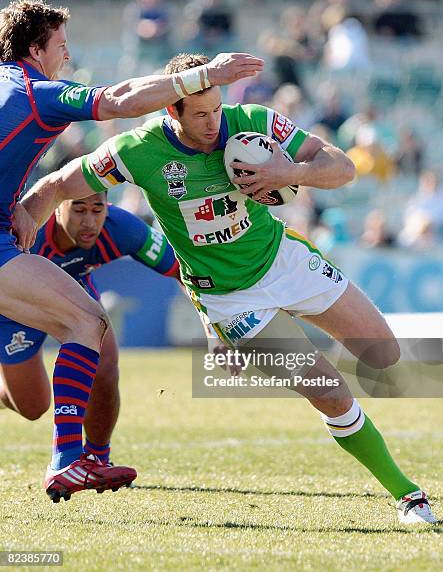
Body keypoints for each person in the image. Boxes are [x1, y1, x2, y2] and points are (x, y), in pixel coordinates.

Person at [19, 53, 437, 524]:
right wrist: (17, 228)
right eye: (199, 113)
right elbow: (57, 183)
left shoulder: (252, 122)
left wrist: (290, 174)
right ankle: (409, 495)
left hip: (285, 261)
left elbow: (340, 166)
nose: (213, 122)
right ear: (170, 111)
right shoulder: (138, 151)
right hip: (232, 300)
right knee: (331, 392)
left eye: (216, 109)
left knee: (383, 355)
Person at [0, 0, 263, 502]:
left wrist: (13, 200)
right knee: (88, 324)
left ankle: (78, 458)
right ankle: (69, 460)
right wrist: (206, 73)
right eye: (60, 46)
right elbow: (119, 99)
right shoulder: (36, 92)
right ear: (35, 49)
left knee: (55, 375)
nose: (67, 57)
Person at [0, 193, 179, 469]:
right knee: (33, 407)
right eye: (79, 210)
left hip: (74, 297)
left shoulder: (122, 227)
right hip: (14, 314)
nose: (89, 222)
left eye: (97, 210)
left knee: (105, 364)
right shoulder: (26, 229)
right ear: (56, 209)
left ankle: (97, 459)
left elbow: (182, 269)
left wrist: (215, 324)